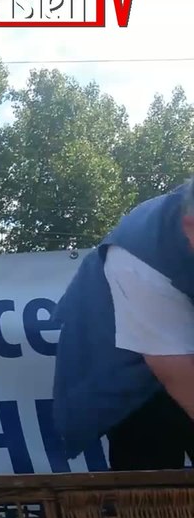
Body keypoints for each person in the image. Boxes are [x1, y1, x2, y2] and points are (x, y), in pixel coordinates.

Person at [51, 178, 194, 471]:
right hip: (134, 374)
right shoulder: (141, 255)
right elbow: (176, 371)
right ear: (191, 228)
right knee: (151, 491)